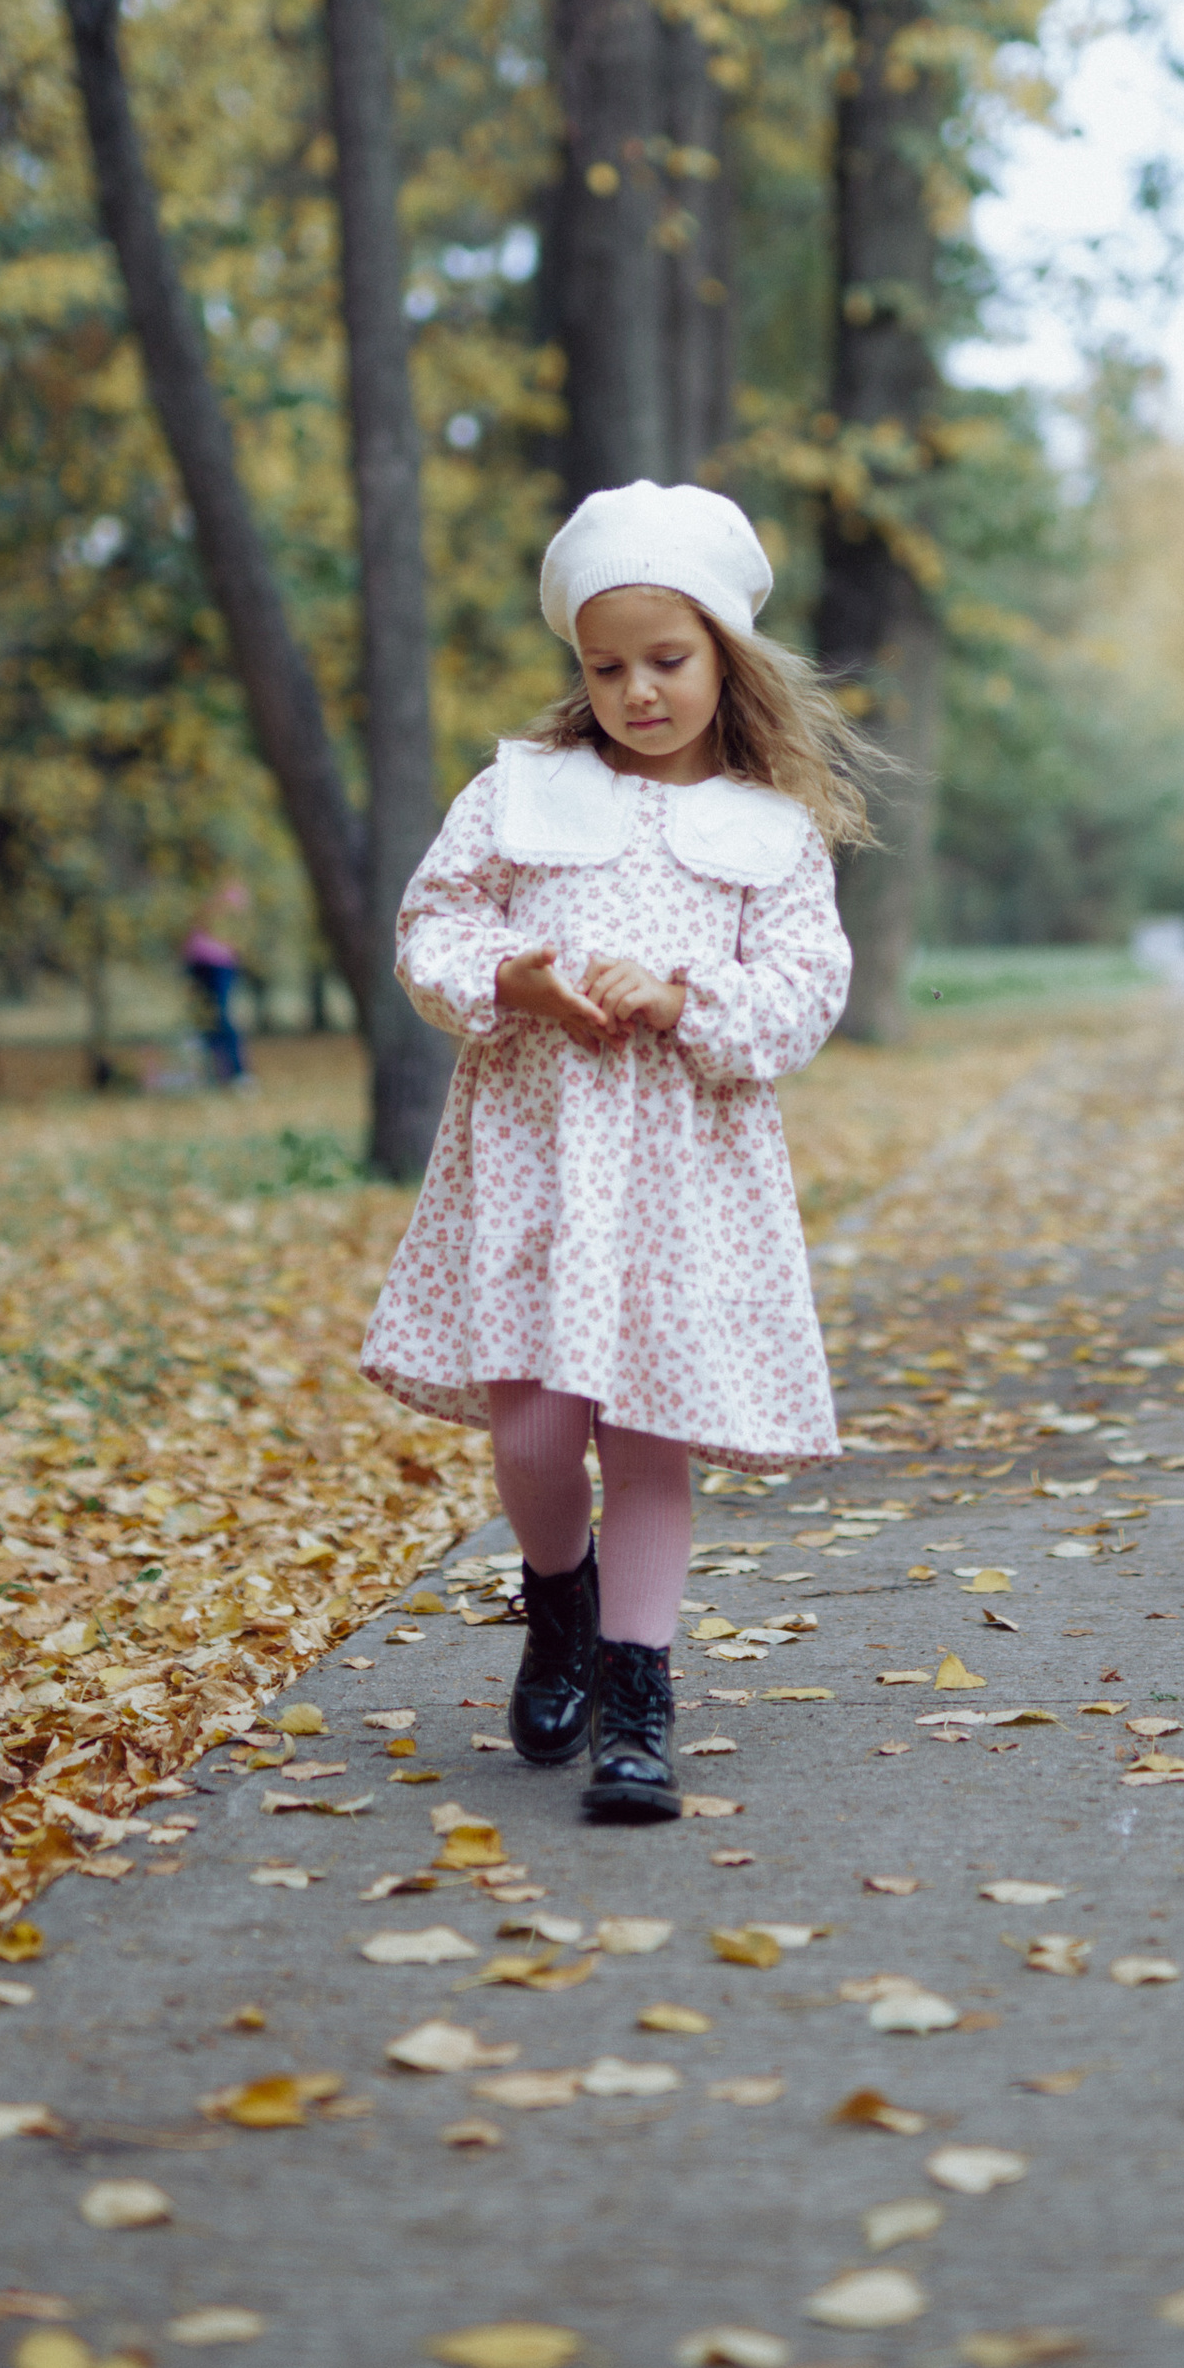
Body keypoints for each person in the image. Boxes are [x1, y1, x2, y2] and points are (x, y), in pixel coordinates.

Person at [360, 481, 870, 1823]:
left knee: (649, 1434)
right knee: (532, 1428)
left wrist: (686, 998)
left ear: (724, 654)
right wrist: (517, 982)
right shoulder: (521, 793)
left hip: (683, 1173)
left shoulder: (771, 827)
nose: (639, 691)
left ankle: (638, 1695)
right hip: (535, 1149)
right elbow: (433, 928)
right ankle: (558, 1596)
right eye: (608, 665)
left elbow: (809, 987)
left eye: (668, 660)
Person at [183, 877, 254, 1088]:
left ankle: (237, 1072)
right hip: (196, 960)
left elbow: (239, 924)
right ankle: (211, 1075)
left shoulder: (230, 885)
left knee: (222, 1016)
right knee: (202, 1019)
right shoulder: (191, 883)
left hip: (220, 962)